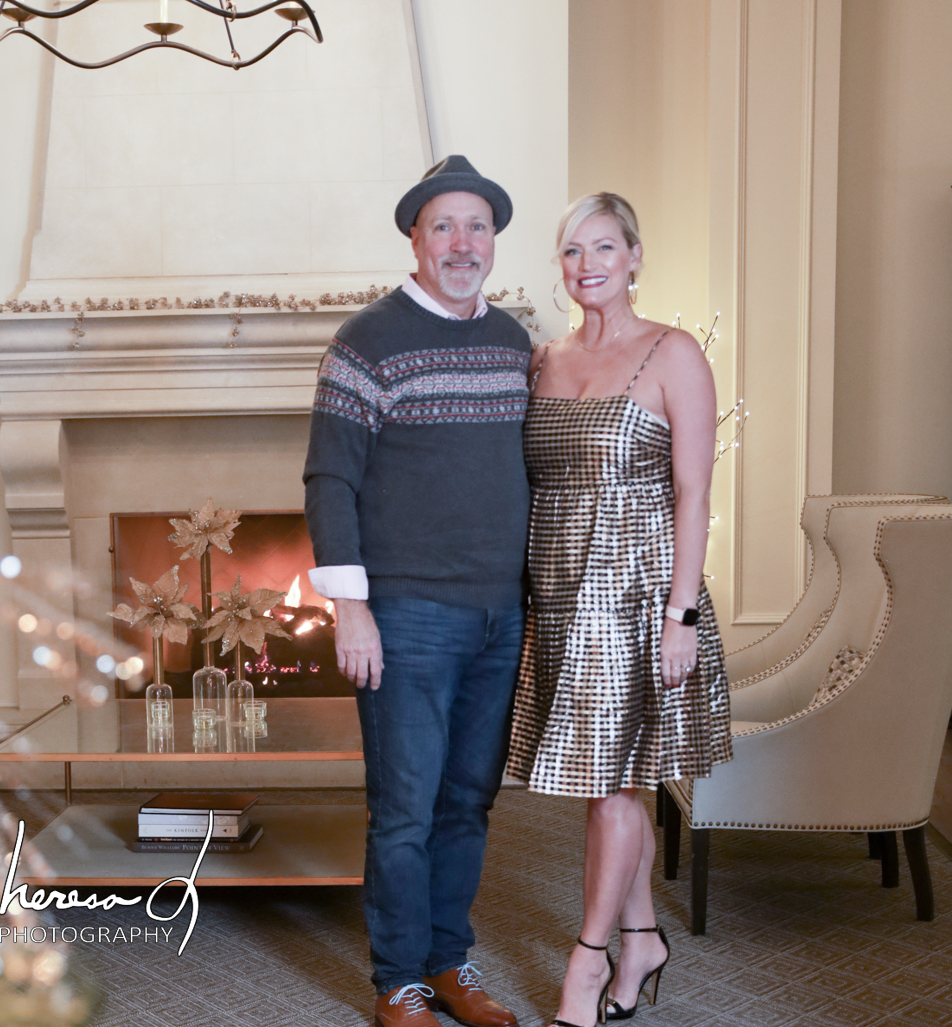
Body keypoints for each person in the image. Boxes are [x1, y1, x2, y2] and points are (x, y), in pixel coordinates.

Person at [304, 156, 532, 1027]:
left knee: (468, 802)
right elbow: (330, 479)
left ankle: (448, 963)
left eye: (478, 226)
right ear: (415, 239)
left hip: (500, 614)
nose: (463, 243)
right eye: (445, 226)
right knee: (404, 809)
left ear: (493, 240)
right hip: (406, 614)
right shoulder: (367, 341)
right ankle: (397, 980)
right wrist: (351, 607)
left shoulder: (514, 342)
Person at [506, 193, 732, 1027]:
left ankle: (587, 962)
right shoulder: (542, 360)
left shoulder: (675, 354)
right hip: (558, 596)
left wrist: (681, 617)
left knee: (612, 788)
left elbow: (694, 493)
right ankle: (643, 940)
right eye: (573, 251)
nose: (588, 265)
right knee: (609, 786)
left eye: (604, 247)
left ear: (635, 256)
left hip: (638, 601)